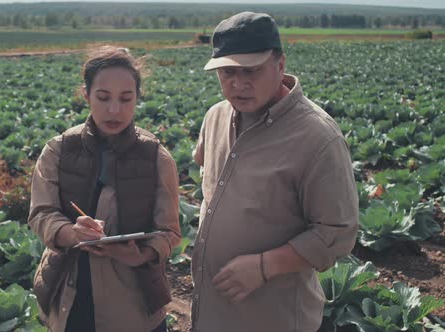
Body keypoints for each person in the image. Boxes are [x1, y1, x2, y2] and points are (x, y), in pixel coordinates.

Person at [191, 12, 359, 331]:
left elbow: (337, 233)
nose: (238, 84)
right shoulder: (215, 116)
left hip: (271, 317)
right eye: (227, 72)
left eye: (251, 71)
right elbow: (210, 188)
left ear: (280, 65)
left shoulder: (318, 137)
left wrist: (265, 266)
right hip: (211, 311)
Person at [28, 45, 181, 332]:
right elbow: (41, 213)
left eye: (125, 99)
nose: (114, 110)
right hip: (71, 293)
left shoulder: (157, 158)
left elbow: (170, 231)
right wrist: (71, 232)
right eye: (103, 97)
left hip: (135, 300)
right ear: (85, 94)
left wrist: (142, 254)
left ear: (138, 97)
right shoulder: (58, 151)